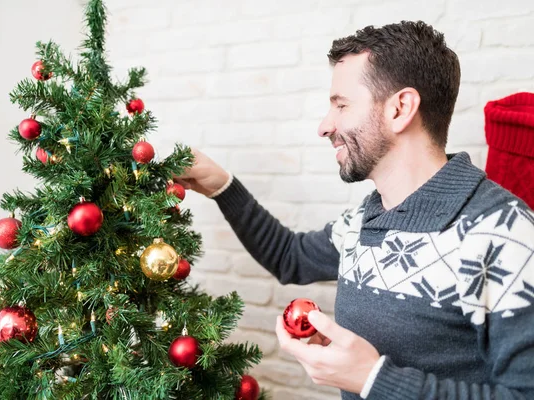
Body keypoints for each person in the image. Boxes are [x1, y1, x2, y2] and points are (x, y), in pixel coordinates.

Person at [174, 20, 534, 399]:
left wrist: (372, 379)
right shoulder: (364, 219)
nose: (325, 126)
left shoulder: (503, 232)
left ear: (400, 109)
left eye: (341, 105)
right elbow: (288, 256)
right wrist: (220, 185)